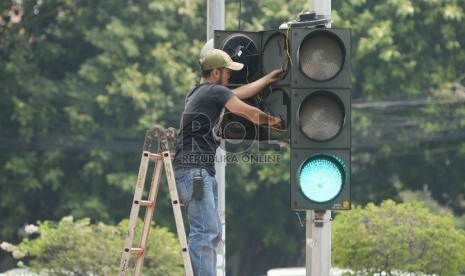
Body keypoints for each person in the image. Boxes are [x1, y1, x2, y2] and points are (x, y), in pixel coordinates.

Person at [173, 48, 283, 276]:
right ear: (215, 73)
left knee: (210, 231)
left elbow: (238, 93)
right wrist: (272, 121)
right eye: (227, 72)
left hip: (197, 171)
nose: (230, 76)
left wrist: (267, 79)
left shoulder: (199, 92)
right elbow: (246, 111)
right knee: (205, 231)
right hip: (195, 171)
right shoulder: (213, 93)